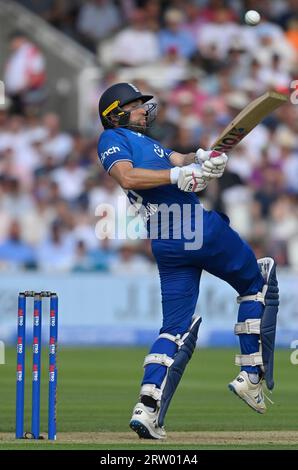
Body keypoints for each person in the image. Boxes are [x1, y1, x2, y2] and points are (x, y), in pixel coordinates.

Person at [97, 83, 279, 439]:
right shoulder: (112, 140)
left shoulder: (148, 141)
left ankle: (147, 409)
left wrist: (199, 158)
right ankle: (251, 375)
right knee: (258, 281)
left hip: (167, 243)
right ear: (116, 113)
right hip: (194, 227)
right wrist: (177, 176)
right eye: (136, 106)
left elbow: (175, 159)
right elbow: (127, 176)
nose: (143, 111)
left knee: (173, 328)